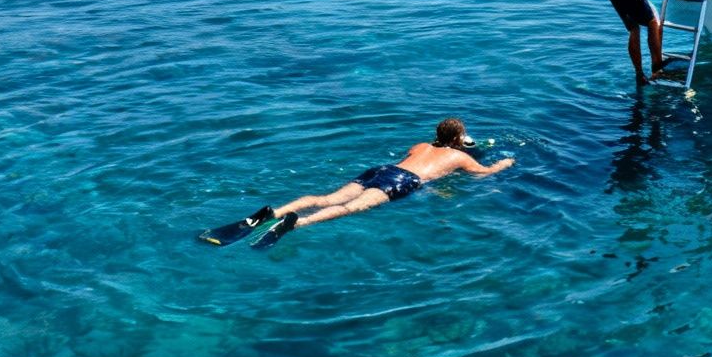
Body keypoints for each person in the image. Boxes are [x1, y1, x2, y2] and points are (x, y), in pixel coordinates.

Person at [196, 118, 513, 248]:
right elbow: (484, 173)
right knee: (350, 209)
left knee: (327, 196)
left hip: (382, 170)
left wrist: (449, 141)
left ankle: (273, 211)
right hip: (405, 181)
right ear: (458, 139)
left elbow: (429, 150)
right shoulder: (460, 158)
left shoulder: (420, 145)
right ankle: (294, 224)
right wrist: (505, 162)